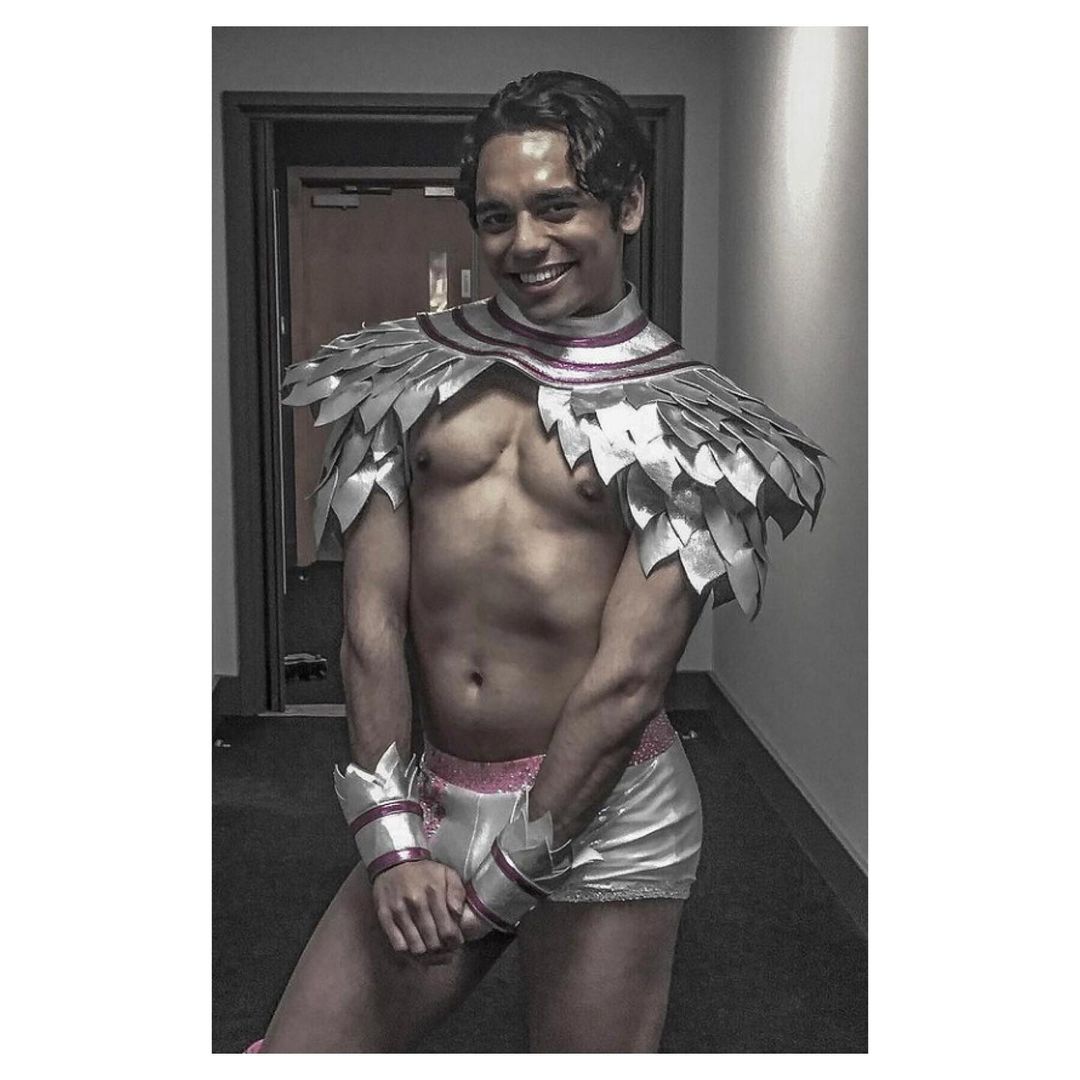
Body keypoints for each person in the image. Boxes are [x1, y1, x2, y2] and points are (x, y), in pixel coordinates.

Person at [253, 70, 825, 1053]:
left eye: (558, 207)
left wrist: (514, 872)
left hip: (610, 815)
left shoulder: (693, 429)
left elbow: (628, 680)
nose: (525, 243)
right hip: (434, 795)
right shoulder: (400, 380)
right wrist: (392, 840)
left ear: (628, 204)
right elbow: (369, 625)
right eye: (497, 216)